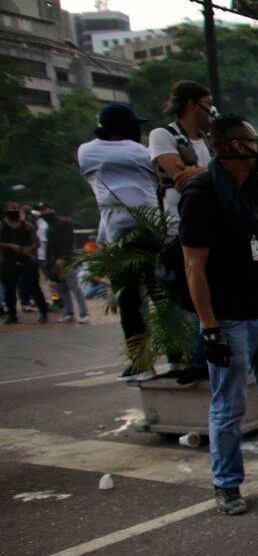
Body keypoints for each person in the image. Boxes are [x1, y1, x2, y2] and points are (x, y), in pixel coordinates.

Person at [179, 114, 258, 515]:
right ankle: (227, 484)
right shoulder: (200, 195)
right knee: (228, 406)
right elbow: (193, 267)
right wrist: (210, 327)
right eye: (253, 140)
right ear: (234, 147)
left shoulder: (257, 191)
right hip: (228, 319)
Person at [77, 103, 161, 379]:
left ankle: (142, 361)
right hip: (151, 234)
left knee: (132, 304)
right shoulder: (140, 153)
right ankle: (165, 357)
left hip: (123, 239)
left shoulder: (89, 154)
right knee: (160, 299)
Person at [148, 81, 214, 233]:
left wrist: (199, 172)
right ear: (193, 104)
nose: (212, 110)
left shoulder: (210, 140)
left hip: (214, 224)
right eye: (209, 104)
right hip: (180, 227)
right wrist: (217, 173)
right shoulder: (162, 135)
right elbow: (182, 178)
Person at [1, 201, 48, 324]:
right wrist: (9, 245)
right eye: (12, 208)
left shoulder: (27, 226)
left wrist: (30, 249)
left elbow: (37, 242)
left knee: (34, 287)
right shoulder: (2, 226)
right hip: (8, 260)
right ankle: (12, 315)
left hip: (26, 259)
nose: (14, 211)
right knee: (9, 289)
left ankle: (43, 311)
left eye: (16, 208)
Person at [40, 205, 88, 323]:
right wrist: (49, 263)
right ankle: (69, 313)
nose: (45, 212)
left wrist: (63, 258)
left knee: (74, 288)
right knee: (62, 289)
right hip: (55, 262)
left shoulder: (63, 225)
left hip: (67, 261)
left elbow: (68, 242)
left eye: (47, 209)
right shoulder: (49, 228)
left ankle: (83, 313)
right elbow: (49, 248)